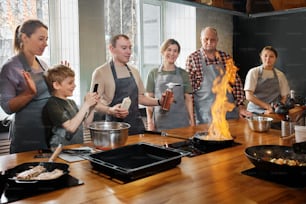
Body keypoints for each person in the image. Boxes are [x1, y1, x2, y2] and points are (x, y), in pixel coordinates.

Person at [90, 34, 162, 135]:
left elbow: (140, 98)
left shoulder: (134, 71)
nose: (129, 52)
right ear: (111, 48)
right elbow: (93, 102)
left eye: (130, 48)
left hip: (136, 128)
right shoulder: (100, 73)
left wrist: (159, 102)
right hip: (114, 130)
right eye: (124, 48)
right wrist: (110, 110)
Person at [0, 19, 51, 153]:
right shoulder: (9, 67)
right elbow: (7, 107)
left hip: (47, 133)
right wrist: (29, 94)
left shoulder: (43, 65)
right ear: (24, 37)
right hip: (26, 136)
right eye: (41, 39)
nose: (45, 44)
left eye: (46, 39)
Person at [185, 26, 252, 124]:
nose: (209, 42)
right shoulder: (193, 59)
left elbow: (236, 84)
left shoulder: (226, 58)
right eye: (206, 39)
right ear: (201, 39)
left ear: (217, 40)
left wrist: (240, 105)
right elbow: (189, 93)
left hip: (228, 114)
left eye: (212, 39)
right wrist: (192, 119)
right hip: (205, 117)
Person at [44, 65, 99, 149]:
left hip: (76, 148)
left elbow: (87, 124)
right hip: (60, 150)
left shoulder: (71, 103)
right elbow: (70, 128)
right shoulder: (52, 104)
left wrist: (91, 107)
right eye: (70, 83)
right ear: (56, 85)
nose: (74, 85)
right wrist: (86, 104)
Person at [146, 39, 195, 131]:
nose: (172, 53)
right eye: (169, 50)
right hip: (160, 122)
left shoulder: (183, 74)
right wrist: (150, 122)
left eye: (175, 51)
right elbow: (149, 101)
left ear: (178, 54)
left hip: (181, 122)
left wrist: (192, 121)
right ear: (163, 51)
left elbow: (188, 100)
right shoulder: (153, 73)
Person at [244, 46, 290, 114]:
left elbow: (284, 96)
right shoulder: (253, 72)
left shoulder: (280, 75)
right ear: (261, 56)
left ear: (275, 58)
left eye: (271, 56)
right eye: (265, 56)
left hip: (272, 112)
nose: (268, 59)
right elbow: (249, 96)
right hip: (254, 112)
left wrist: (277, 107)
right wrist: (267, 107)